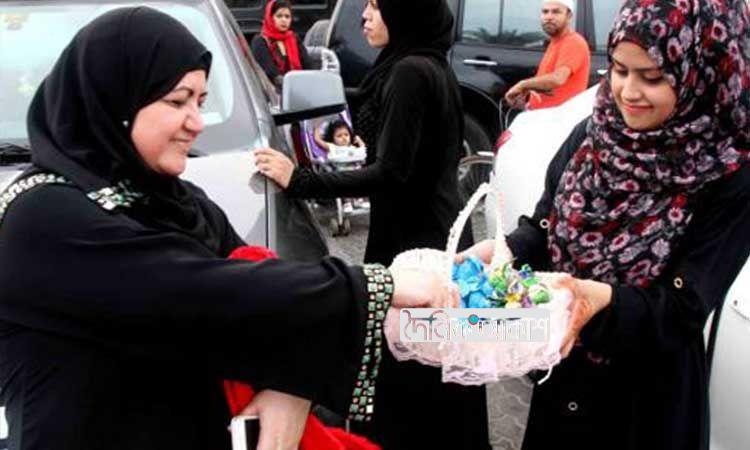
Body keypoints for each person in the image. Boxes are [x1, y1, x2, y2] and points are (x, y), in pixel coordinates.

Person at [0, 7, 459, 450]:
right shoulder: (40, 217)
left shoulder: (178, 200)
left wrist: (290, 387)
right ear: (114, 99)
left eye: (201, 102)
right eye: (177, 101)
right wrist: (376, 286)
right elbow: (196, 293)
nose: (196, 123)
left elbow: (261, 291)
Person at [461, 1, 750, 449]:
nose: (628, 92)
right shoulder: (595, 132)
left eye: (652, 77)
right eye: (619, 70)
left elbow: (683, 308)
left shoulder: (728, 173)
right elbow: (546, 223)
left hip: (644, 406)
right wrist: (507, 249)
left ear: (702, 74)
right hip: (565, 381)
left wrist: (600, 300)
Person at [255, 1, 491, 448]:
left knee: (413, 362)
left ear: (406, 14)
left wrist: (300, 180)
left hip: (415, 242)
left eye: (377, 5)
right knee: (435, 362)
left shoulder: (410, 72)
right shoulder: (423, 63)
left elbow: (391, 174)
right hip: (433, 231)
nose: (365, 14)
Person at [504, 0, 590, 110]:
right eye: (545, 12)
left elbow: (557, 79)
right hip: (542, 114)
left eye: (556, 12)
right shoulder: (556, 41)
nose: (549, 17)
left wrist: (523, 85)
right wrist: (528, 97)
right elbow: (548, 83)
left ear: (569, 16)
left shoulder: (573, 42)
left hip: (558, 117)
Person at [250, 0, 313, 90]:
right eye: (279, 16)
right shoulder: (260, 41)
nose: (284, 20)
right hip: (272, 93)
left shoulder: (293, 38)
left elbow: (307, 65)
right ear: (270, 17)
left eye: (287, 17)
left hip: (297, 88)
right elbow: (270, 72)